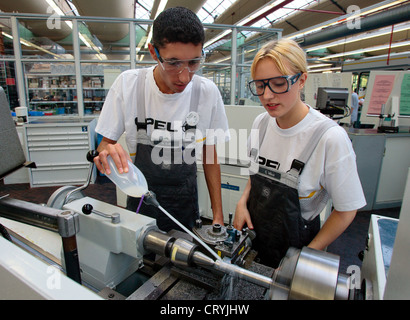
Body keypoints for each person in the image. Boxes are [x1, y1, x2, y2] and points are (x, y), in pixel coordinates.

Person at [94, 7, 229, 232]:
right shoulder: (129, 86)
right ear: (154, 52)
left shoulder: (207, 93)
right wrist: (107, 152)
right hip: (140, 202)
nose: (184, 76)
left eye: (194, 62)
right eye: (174, 63)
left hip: (185, 204)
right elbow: (104, 144)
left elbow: (209, 156)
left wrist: (218, 217)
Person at [233, 38, 366, 268]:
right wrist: (242, 203)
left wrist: (307, 257)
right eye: (260, 85)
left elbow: (346, 209)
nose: (267, 96)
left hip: (297, 247)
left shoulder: (329, 138)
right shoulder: (261, 124)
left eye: (278, 83)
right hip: (253, 238)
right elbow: (255, 175)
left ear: (302, 80)